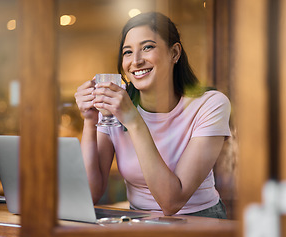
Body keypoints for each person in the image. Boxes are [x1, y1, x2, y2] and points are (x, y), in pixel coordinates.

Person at [74, 12, 231, 219]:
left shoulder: (210, 104)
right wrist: (89, 120)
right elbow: (90, 194)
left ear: (174, 53)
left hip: (201, 219)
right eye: (128, 52)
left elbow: (171, 202)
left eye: (147, 47)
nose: (136, 61)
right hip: (139, 221)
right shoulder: (114, 110)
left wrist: (133, 120)